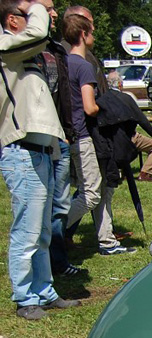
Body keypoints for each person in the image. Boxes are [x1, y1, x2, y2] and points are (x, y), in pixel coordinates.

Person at [0, 0, 80, 320]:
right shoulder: (5, 45)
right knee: (28, 229)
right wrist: (37, 5)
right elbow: (37, 34)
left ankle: (44, 290)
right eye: (28, 13)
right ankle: (24, 296)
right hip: (21, 151)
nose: (51, 17)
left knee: (43, 230)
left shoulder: (23, 49)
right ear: (12, 20)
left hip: (42, 151)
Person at [64, 11, 130, 255]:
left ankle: (105, 240)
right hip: (84, 135)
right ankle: (53, 231)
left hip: (67, 136)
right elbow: (90, 107)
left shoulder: (63, 62)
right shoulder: (83, 66)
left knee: (90, 190)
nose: (93, 35)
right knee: (91, 194)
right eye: (91, 31)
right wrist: (112, 106)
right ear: (83, 34)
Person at [38, 0, 85, 276]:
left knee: (60, 205)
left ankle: (58, 262)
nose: (54, 14)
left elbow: (64, 97)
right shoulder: (18, 53)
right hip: (34, 142)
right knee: (38, 210)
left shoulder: (57, 51)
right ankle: (39, 271)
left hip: (61, 140)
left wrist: (68, 133)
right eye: (47, 8)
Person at [106, 71, 152, 181]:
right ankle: (145, 174)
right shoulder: (126, 98)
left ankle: (122, 171)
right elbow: (141, 119)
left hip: (109, 138)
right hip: (128, 138)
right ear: (120, 84)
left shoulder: (103, 98)